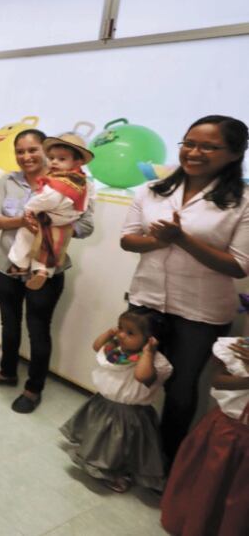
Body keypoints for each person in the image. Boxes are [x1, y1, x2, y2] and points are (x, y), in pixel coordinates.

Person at [120, 114, 248, 463]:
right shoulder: (152, 190)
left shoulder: (243, 201)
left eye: (209, 146)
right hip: (146, 298)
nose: (194, 152)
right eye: (189, 143)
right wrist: (157, 241)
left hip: (200, 311)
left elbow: (239, 265)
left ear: (235, 153)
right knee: (134, 376)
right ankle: (124, 450)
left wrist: (182, 240)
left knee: (180, 389)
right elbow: (128, 241)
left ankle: (165, 462)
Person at [0, 129, 94, 414]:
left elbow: (86, 227)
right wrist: (23, 221)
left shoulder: (74, 184)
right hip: (8, 263)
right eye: (20, 151)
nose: (26, 156)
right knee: (10, 323)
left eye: (32, 150)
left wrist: (51, 224)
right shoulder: (8, 180)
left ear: (45, 151)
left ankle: (33, 388)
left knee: (38, 330)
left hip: (47, 268)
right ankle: (7, 373)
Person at [60, 308, 172, 493]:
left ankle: (115, 472)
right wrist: (110, 333)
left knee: (118, 447)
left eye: (129, 333)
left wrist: (148, 353)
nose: (121, 334)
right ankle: (95, 457)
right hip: (103, 404)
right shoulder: (117, 350)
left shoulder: (155, 362)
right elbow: (97, 347)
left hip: (129, 415)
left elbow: (142, 375)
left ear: (150, 340)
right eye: (120, 328)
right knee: (99, 436)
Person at [160, 336, 249, 536]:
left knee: (239, 498)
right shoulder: (237, 348)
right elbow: (218, 381)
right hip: (227, 432)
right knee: (209, 487)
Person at [7, 133, 91, 290]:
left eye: (61, 159)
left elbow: (47, 200)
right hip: (64, 217)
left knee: (25, 235)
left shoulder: (58, 182)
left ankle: (20, 264)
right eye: (52, 158)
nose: (54, 162)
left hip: (53, 217)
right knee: (48, 244)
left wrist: (29, 209)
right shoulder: (80, 180)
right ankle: (42, 270)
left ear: (77, 161)